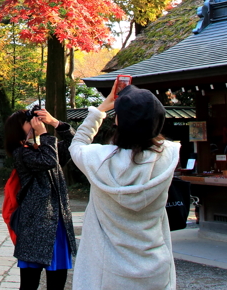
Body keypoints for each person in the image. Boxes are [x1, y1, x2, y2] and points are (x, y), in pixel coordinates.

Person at [69, 85, 180, 290]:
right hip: (155, 267)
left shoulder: (99, 161)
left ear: (119, 121)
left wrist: (100, 110)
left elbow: (77, 145)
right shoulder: (167, 157)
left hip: (107, 272)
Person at [5, 108, 76, 290]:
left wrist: (56, 124)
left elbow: (74, 144)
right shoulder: (22, 153)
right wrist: (44, 134)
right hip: (35, 226)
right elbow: (49, 160)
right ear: (19, 130)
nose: (35, 122)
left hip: (57, 222)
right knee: (29, 284)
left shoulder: (44, 147)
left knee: (57, 282)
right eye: (28, 120)